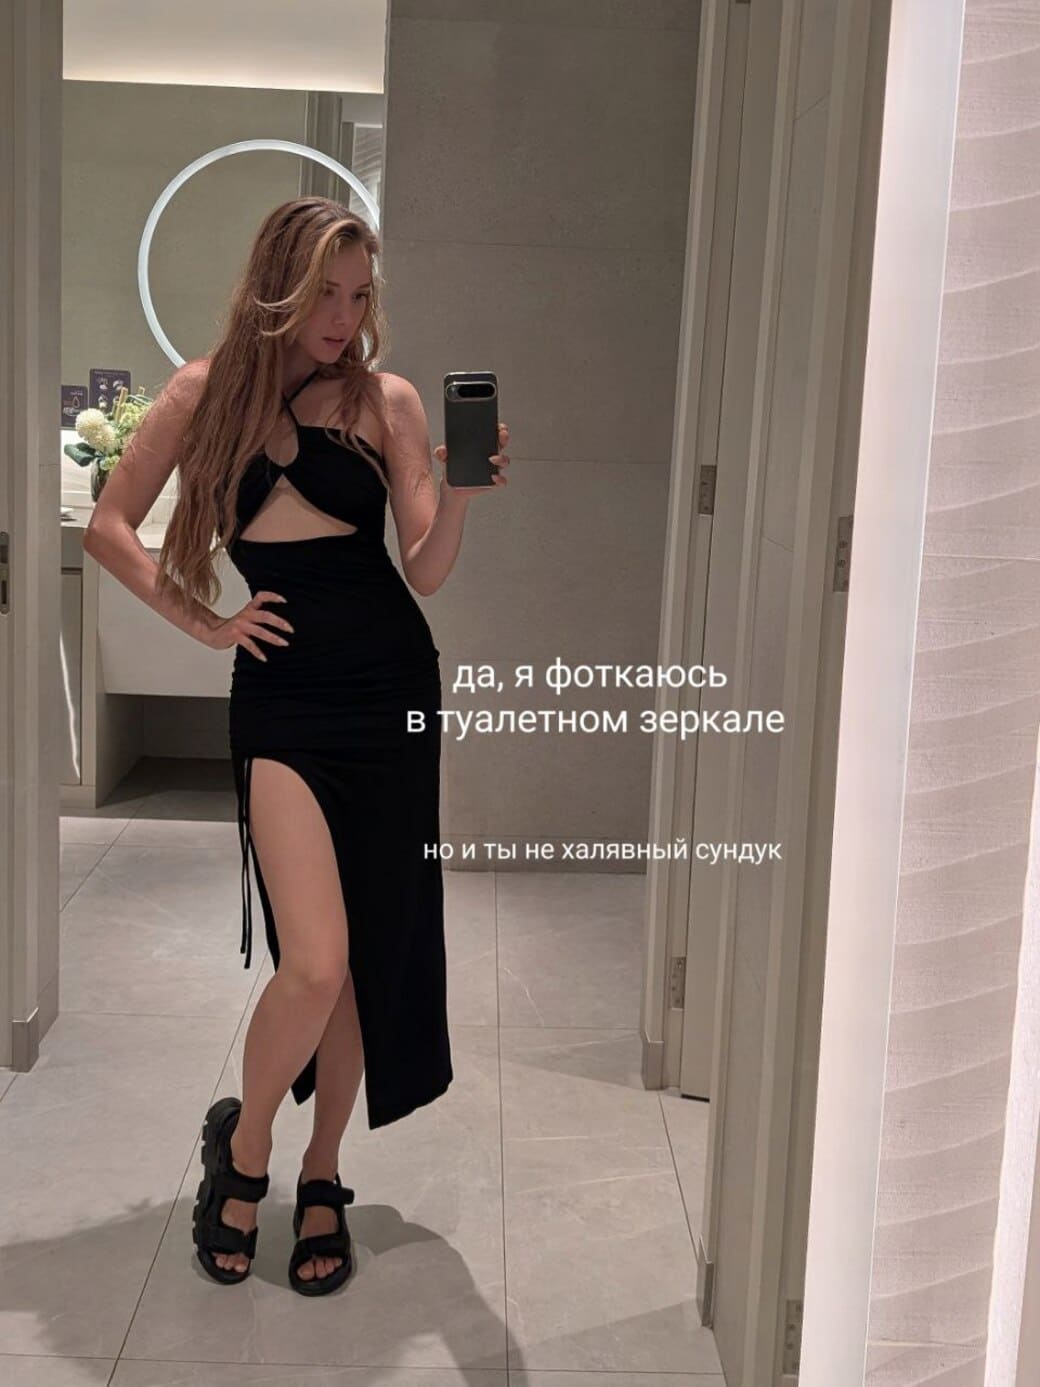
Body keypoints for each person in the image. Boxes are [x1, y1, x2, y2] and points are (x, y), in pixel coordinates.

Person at [83, 196, 511, 1294]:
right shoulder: (203, 392)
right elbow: (109, 528)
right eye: (325, 292)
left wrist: (461, 495)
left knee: (361, 955)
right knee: (313, 959)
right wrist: (205, 621)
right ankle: (247, 1146)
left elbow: (424, 568)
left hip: (389, 687)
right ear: (277, 283)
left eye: (359, 295)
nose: (342, 316)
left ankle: (323, 1172)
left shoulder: (383, 400)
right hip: (281, 698)